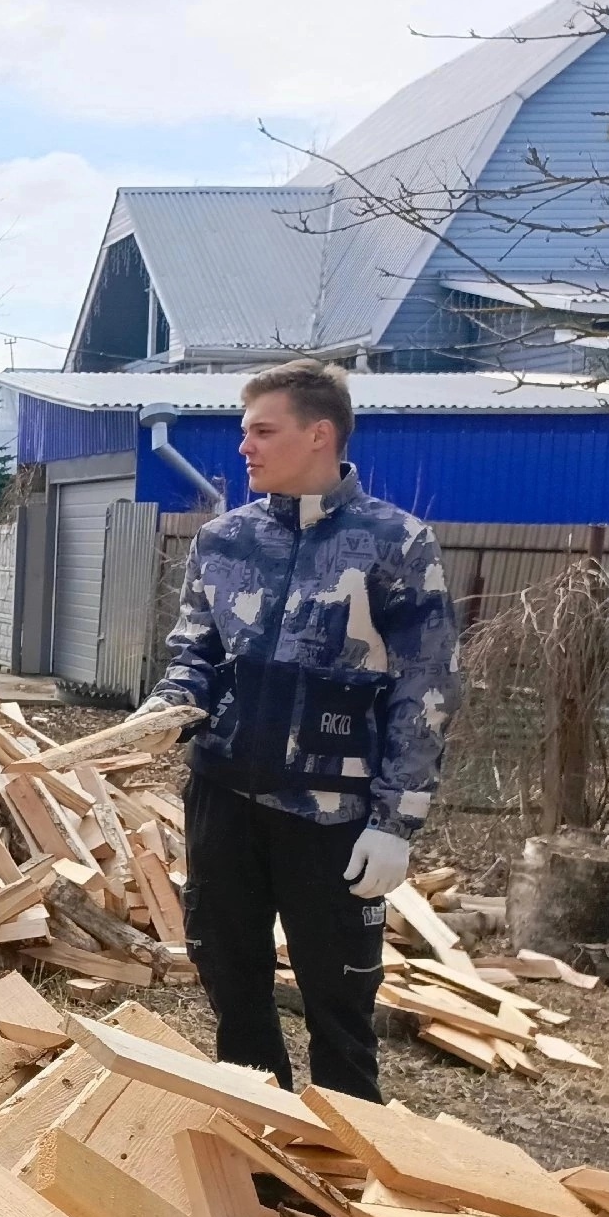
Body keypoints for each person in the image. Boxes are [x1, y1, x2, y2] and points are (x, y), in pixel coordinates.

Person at [143, 358, 459, 1103]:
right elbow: (197, 654)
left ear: (319, 435)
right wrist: (166, 711)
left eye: (262, 431)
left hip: (333, 816)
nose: (244, 447)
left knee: (339, 999)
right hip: (225, 799)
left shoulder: (396, 543)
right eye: (243, 431)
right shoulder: (223, 540)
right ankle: (263, 1146)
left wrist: (398, 822)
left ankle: (351, 1163)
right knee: (230, 981)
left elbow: (428, 683)